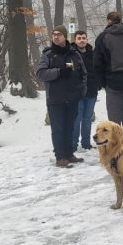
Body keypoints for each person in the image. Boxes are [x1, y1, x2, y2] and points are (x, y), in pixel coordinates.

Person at [36, 25, 87, 168]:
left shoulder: (74, 54)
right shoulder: (48, 55)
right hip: (55, 99)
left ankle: (69, 153)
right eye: (54, 34)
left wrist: (82, 90)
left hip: (73, 97)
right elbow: (40, 73)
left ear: (65, 36)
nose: (56, 36)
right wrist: (59, 72)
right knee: (58, 128)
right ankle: (60, 157)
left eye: (59, 34)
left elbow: (83, 74)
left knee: (70, 127)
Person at [71, 31, 100, 151]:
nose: (82, 40)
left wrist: (98, 84)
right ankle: (73, 144)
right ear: (75, 40)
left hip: (91, 91)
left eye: (84, 38)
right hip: (77, 92)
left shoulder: (93, 54)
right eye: (79, 38)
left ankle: (86, 143)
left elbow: (97, 70)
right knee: (77, 118)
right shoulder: (71, 53)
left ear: (87, 39)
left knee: (87, 119)